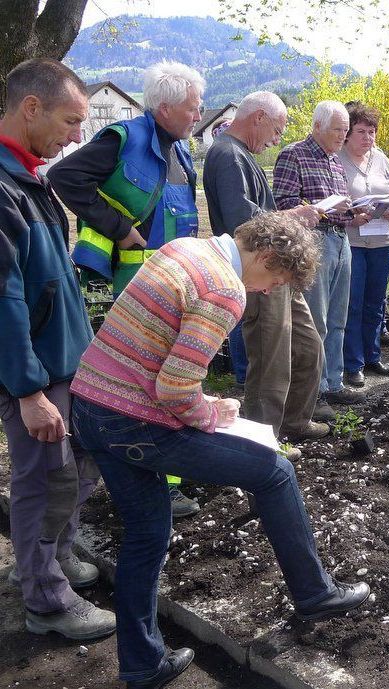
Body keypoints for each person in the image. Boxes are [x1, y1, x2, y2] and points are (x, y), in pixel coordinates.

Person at [70, 213, 371, 689]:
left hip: (90, 404)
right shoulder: (223, 290)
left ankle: (143, 664)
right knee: (273, 471)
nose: (270, 291)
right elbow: (174, 392)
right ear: (267, 257)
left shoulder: (186, 249)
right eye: (276, 280)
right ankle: (314, 593)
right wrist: (218, 412)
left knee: (147, 534)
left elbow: (158, 362)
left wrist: (202, 402)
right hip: (133, 420)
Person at [50, 60, 204, 518]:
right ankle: (154, 482)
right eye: (193, 108)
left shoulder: (179, 149)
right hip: (138, 284)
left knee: (173, 375)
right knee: (146, 380)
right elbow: (65, 178)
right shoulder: (123, 138)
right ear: (164, 108)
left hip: (175, 278)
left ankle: (168, 474)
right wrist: (118, 229)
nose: (199, 115)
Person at [0, 58, 115, 640]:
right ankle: (45, 599)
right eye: (72, 121)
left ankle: (54, 558)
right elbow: (5, 298)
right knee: (44, 479)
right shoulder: (2, 187)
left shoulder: (28, 175)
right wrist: (27, 391)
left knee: (75, 468)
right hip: (38, 371)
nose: (77, 137)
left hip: (66, 361)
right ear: (31, 108)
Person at [202, 91, 327, 448]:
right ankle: (262, 441)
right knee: (270, 360)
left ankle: (295, 420)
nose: (277, 138)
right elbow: (242, 221)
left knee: (308, 346)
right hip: (259, 272)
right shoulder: (227, 155)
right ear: (258, 117)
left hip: (277, 270)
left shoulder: (241, 155)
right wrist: (293, 216)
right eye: (276, 128)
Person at [273, 100, 368, 422]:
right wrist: (322, 208)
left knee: (338, 318)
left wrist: (355, 213)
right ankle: (312, 392)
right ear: (317, 127)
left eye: (345, 129)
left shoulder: (335, 161)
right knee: (315, 320)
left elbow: (339, 206)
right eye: (338, 129)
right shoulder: (293, 154)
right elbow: (282, 203)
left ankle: (333, 382)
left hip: (341, 240)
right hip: (314, 243)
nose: (343, 135)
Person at [339, 103, 389, 387]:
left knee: (376, 302)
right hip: (353, 241)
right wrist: (351, 216)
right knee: (353, 303)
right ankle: (353, 364)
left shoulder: (380, 158)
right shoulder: (337, 159)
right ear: (347, 134)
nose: (368, 137)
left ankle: (373, 356)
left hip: (382, 239)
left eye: (372, 131)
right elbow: (332, 202)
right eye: (361, 131)